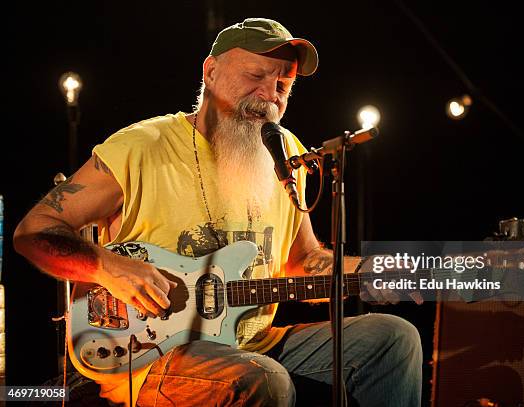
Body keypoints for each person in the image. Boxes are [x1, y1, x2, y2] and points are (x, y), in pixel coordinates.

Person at [14, 18, 422, 406]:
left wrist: (376, 271)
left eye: (283, 82)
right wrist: (107, 267)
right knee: (262, 379)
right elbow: (34, 232)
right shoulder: (142, 146)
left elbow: (304, 261)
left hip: (252, 345)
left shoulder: (286, 154)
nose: (271, 93)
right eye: (256, 75)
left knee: (393, 337)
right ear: (210, 72)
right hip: (150, 353)